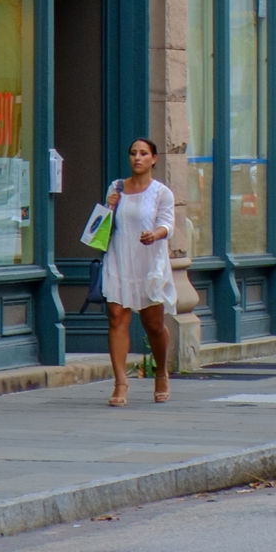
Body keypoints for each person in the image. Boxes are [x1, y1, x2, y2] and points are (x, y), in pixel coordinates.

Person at [99, 137, 176, 406]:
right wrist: (109, 206)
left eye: (143, 153)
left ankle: (161, 372)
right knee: (117, 318)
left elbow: (168, 224)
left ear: (154, 159)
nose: (137, 158)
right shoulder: (117, 188)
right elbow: (102, 228)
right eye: (133, 153)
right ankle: (120, 382)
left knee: (153, 324)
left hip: (149, 259)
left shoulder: (161, 192)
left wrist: (154, 234)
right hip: (120, 257)